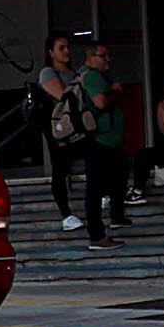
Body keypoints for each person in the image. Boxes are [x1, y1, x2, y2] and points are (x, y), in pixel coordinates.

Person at [34, 33, 95, 240]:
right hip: (58, 128)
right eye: (61, 48)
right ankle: (66, 214)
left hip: (77, 127)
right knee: (60, 167)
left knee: (94, 153)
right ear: (51, 52)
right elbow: (64, 97)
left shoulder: (73, 71)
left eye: (68, 47)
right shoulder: (48, 73)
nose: (67, 51)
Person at [73, 35, 132, 233]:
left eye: (109, 55)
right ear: (90, 57)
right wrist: (115, 91)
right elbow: (100, 102)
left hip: (107, 141)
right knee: (96, 187)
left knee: (119, 175)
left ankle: (116, 216)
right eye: (103, 55)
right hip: (99, 140)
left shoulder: (93, 75)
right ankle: (97, 234)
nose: (108, 59)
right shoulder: (92, 76)